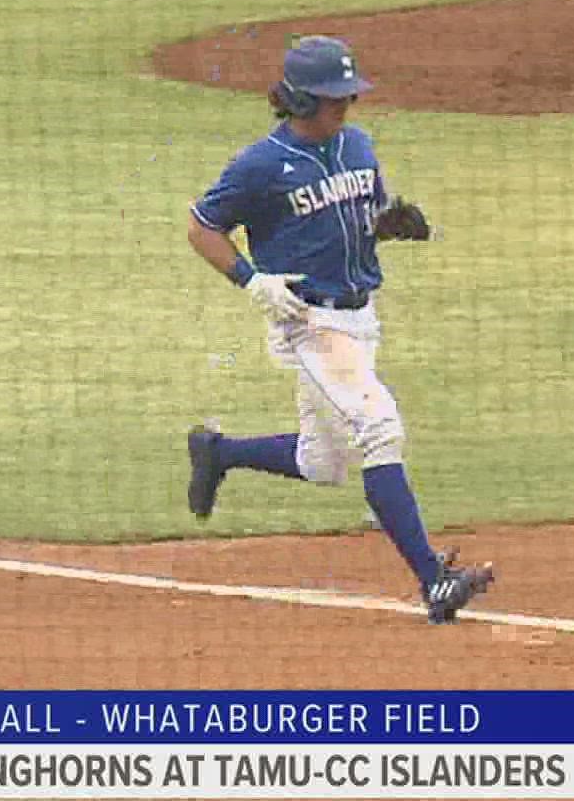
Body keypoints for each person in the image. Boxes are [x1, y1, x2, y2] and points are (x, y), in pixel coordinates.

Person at [183, 35, 495, 623]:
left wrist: (388, 225)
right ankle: (434, 581)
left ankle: (217, 453)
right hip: (309, 321)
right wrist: (253, 282)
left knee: (322, 462)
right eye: (334, 100)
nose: (346, 108)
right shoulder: (259, 166)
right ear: (300, 102)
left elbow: (352, 219)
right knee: (380, 429)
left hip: (359, 317)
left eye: (349, 97)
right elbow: (201, 228)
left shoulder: (357, 144)